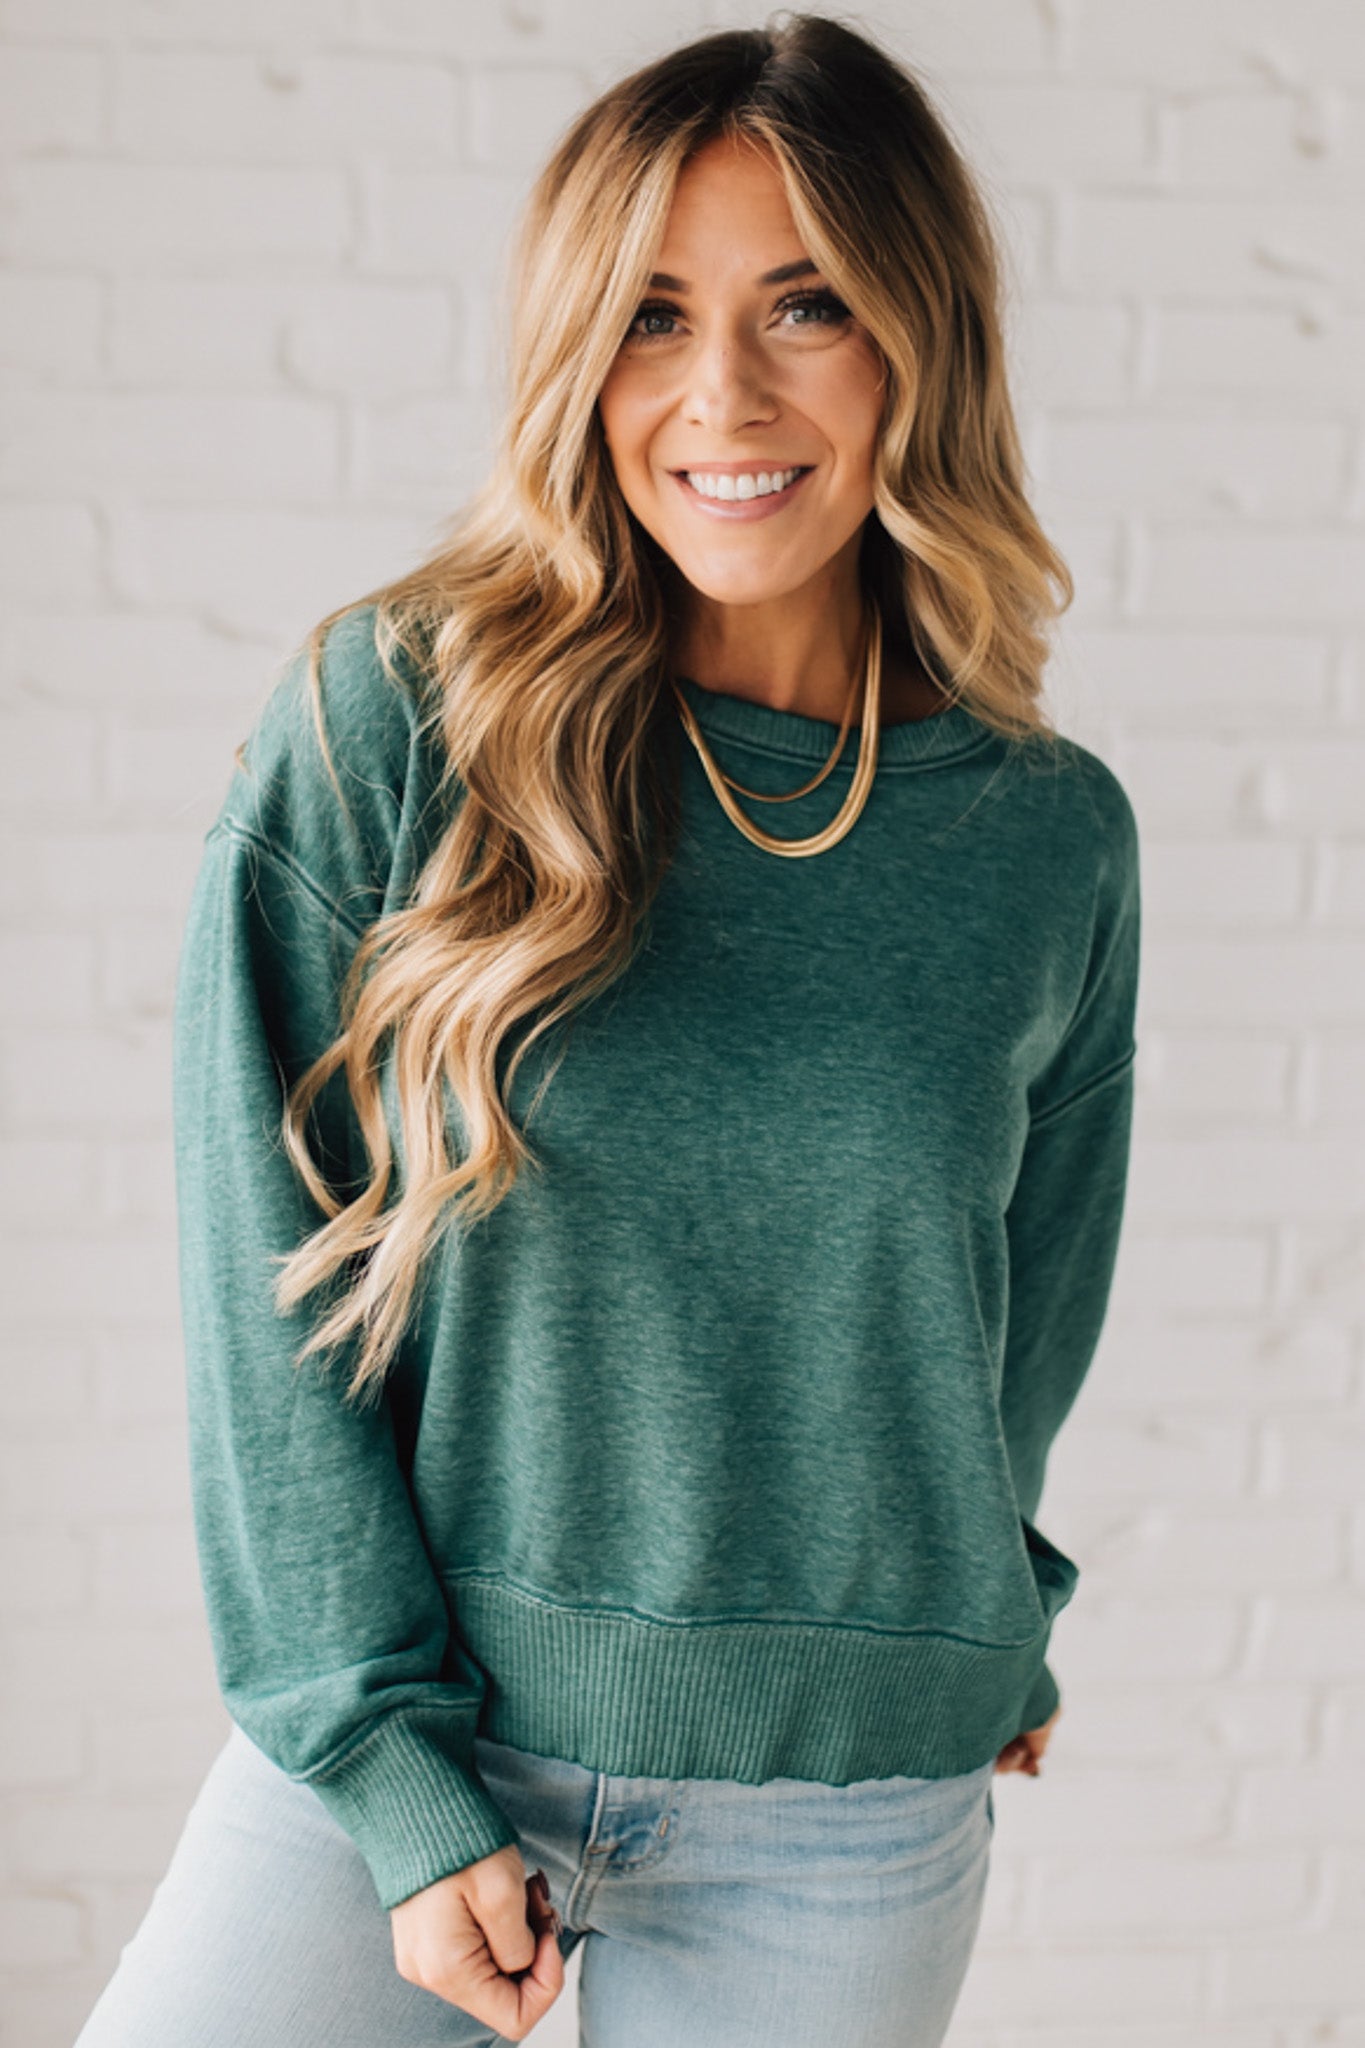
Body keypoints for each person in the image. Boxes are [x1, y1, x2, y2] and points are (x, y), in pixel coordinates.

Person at [72, 14, 1140, 2048]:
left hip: (846, 1804)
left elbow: (1018, 1306)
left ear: (920, 337)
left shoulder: (1040, 833)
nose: (719, 393)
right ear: (576, 359)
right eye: (648, 316)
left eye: (801, 304)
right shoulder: (391, 722)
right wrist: (382, 1770)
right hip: (411, 1744)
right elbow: (259, 1285)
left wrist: (967, 1611)